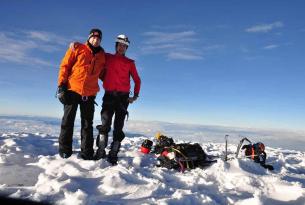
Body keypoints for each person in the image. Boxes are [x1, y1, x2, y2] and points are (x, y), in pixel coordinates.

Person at [57, 28, 105, 160]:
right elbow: (65, 66)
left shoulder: (102, 56)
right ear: (89, 38)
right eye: (93, 37)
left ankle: (87, 152)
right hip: (73, 90)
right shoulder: (77, 48)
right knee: (68, 121)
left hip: (89, 94)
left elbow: (103, 74)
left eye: (98, 38)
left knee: (87, 124)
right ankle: (65, 150)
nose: (96, 40)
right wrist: (61, 86)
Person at [95, 34, 141, 165]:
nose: (122, 48)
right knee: (105, 123)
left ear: (126, 48)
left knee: (118, 126)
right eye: (120, 45)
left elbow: (137, 80)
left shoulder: (130, 62)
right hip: (109, 95)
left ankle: (114, 153)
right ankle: (101, 150)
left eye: (124, 46)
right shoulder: (107, 57)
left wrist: (135, 96)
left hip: (123, 98)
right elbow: (95, 52)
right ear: (116, 46)